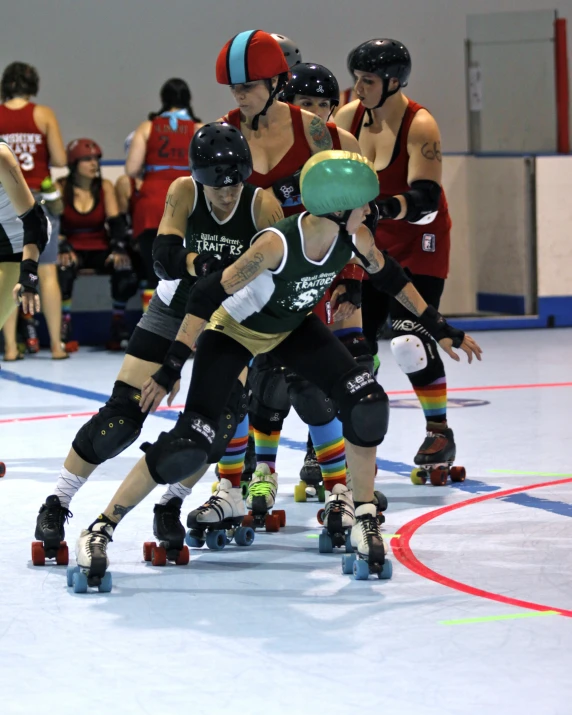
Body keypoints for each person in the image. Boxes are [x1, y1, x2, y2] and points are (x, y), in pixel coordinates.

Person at [71, 151, 482, 588]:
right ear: (340, 205)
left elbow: (391, 277)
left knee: (366, 402)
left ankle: (363, 516)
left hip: (291, 329)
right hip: (232, 334)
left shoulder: (355, 236)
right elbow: (205, 295)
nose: (371, 210)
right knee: (189, 446)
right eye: (364, 202)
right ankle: (100, 528)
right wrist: (172, 365)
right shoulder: (275, 245)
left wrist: (439, 326)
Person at [31, 123, 282, 567]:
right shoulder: (184, 190)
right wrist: (201, 263)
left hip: (228, 319)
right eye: (216, 187)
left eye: (234, 186)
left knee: (216, 422)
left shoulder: (262, 204)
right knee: (124, 415)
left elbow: (280, 274)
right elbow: (163, 259)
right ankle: (57, 501)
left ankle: (171, 503)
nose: (226, 196)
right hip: (172, 309)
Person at [216, 30, 364, 516]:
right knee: (234, 387)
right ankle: (236, 485)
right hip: (245, 278)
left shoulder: (320, 134)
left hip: (301, 277)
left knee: (307, 385)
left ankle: (339, 488)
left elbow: (358, 208)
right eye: (234, 87)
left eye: (250, 85)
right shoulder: (224, 133)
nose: (240, 96)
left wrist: (352, 280)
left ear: (277, 82)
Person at [335, 38, 459, 482]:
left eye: (367, 80)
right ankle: (340, 437)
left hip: (420, 239)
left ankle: (439, 431)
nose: (358, 88)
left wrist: (380, 208)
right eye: (356, 79)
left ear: (392, 82)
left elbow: (425, 199)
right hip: (370, 241)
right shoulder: (348, 116)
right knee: (354, 346)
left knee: (409, 340)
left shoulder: (420, 124)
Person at [0, 61, 67, 359]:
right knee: (48, 273)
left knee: (16, 274)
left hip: (12, 204)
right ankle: (55, 345)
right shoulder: (42, 114)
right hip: (38, 191)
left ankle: (12, 349)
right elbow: (60, 158)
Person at [126, 78, 201, 312]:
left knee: (152, 273)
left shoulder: (147, 127)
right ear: (188, 99)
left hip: (152, 205)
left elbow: (131, 169)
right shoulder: (199, 129)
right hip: (187, 204)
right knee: (190, 271)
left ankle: (151, 333)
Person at [56, 138, 138, 351]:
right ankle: (65, 323)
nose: (94, 164)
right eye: (87, 159)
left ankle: (117, 321)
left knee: (125, 270)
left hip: (99, 247)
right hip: (72, 248)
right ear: (74, 163)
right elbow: (51, 225)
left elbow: (116, 222)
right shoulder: (61, 187)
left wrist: (118, 247)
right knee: (63, 268)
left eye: (96, 159)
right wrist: (62, 247)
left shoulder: (104, 187)